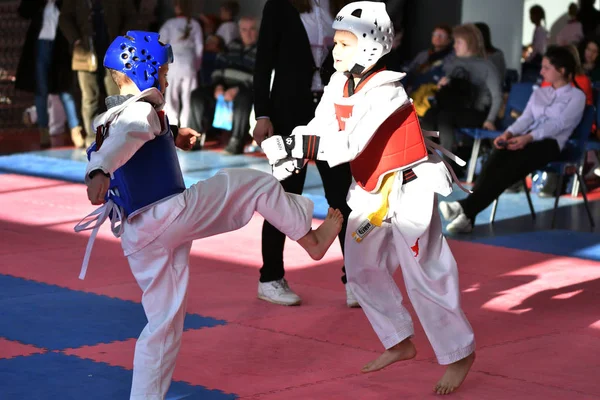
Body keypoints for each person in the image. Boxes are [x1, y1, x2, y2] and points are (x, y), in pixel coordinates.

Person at [73, 30, 343, 399]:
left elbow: (128, 138)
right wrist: (100, 170)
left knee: (163, 325)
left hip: (140, 238)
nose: (167, 79)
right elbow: (126, 139)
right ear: (145, 71)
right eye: (164, 72)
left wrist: (173, 135)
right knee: (252, 183)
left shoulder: (112, 117)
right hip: (169, 214)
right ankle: (311, 240)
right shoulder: (139, 110)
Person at [261, 2, 475, 395]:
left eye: (344, 43)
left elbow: (348, 143)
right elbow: (320, 124)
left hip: (408, 188)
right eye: (336, 43)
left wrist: (298, 144)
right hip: (369, 191)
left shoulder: (388, 90)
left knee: (423, 272)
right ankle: (399, 340)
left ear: (371, 45)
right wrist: (290, 150)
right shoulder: (337, 84)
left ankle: (458, 352)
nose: (334, 50)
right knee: (360, 268)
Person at [252, 0, 355, 308]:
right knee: (284, 197)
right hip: (288, 112)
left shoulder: (342, 6)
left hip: (331, 113)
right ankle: (270, 278)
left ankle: (356, 279)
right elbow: (263, 62)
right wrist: (262, 114)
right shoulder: (279, 6)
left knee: (342, 197)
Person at [439, 46, 586, 233]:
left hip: (551, 144)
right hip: (527, 139)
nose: (541, 71)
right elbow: (526, 118)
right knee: (501, 152)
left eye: (547, 68)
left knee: (511, 166)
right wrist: (508, 133)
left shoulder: (577, 96)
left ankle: (465, 209)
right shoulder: (541, 92)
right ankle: (468, 214)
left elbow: (559, 125)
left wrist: (528, 137)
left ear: (562, 71)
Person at [15, 0, 84, 149]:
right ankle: (43, 131)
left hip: (61, 45)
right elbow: (23, 12)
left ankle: (75, 130)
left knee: (65, 91)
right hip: (40, 44)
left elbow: (75, 15)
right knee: (41, 90)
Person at [158, 0, 204, 127]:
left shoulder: (169, 24)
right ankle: (186, 125)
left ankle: (172, 125)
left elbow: (160, 44)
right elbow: (199, 47)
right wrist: (196, 65)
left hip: (173, 64)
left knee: (172, 97)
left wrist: (161, 65)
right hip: (190, 64)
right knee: (188, 97)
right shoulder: (195, 24)